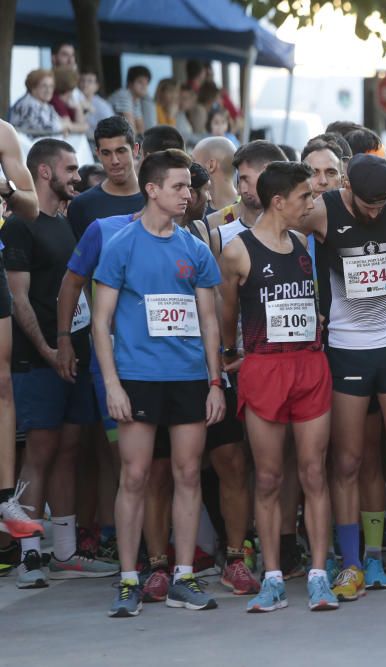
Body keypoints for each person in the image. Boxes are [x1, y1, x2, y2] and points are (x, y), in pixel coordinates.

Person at [294, 153, 386, 600]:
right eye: (368, 205)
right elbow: (277, 235)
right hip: (346, 348)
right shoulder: (323, 210)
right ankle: (351, 564)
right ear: (347, 190)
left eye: (381, 205)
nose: (376, 212)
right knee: (347, 462)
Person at [94, 149, 225, 617]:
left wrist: (215, 382)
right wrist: (112, 384)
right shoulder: (121, 244)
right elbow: (101, 321)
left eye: (190, 187)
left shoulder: (195, 248)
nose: (187, 195)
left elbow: (210, 322)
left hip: (189, 378)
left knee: (188, 474)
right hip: (138, 379)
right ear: (152, 189)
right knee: (135, 476)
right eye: (178, 187)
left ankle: (183, 576)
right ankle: (129, 579)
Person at [219, 161, 337, 612]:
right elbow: (228, 311)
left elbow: (304, 299)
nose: (312, 202)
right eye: (306, 196)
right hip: (264, 368)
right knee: (268, 476)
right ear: (279, 201)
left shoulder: (303, 242)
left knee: (313, 472)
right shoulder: (238, 251)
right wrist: (230, 352)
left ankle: (319, 576)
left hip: (309, 365)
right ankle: (271, 576)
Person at [3, 139, 116, 588]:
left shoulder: (67, 223)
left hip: (75, 354)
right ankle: (31, 554)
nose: (77, 175)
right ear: (44, 172)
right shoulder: (19, 227)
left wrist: (73, 346)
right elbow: (17, 300)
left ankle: (66, 550)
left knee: (70, 451)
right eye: (70, 168)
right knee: (41, 452)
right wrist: (49, 350)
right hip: (38, 360)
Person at [0, 120, 41, 543]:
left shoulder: (3, 133)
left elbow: (31, 207)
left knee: (3, 382)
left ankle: (5, 497)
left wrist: (7, 190)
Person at [65, 116, 145, 240]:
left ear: (135, 150)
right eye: (106, 153)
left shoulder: (155, 199)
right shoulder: (82, 206)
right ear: (98, 154)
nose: (114, 161)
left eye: (121, 151)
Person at [206, 140, 287, 255]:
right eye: (240, 180)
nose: (241, 189)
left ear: (267, 172)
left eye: (245, 179)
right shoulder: (219, 236)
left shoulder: (297, 234)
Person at [9, 70, 66, 136]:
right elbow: (46, 129)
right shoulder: (27, 104)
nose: (48, 90)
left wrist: (64, 126)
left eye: (51, 86)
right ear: (33, 88)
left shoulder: (46, 106)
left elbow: (60, 124)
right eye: (44, 86)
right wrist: (65, 127)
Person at [191, 136, 238, 217]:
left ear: (211, 165)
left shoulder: (193, 213)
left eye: (193, 161)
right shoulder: (249, 211)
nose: (190, 167)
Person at [109, 65, 155, 134]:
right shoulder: (124, 95)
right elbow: (131, 128)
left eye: (146, 83)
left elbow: (141, 128)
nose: (144, 86)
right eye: (140, 82)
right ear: (130, 83)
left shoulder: (136, 100)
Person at [50, 68, 88, 134]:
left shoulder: (66, 99)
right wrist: (83, 127)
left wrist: (78, 108)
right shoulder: (55, 100)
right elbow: (68, 126)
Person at [78, 69, 115, 138]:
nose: (85, 84)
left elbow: (112, 130)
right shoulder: (73, 100)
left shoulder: (103, 106)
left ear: (97, 86)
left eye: (90, 81)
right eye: (82, 80)